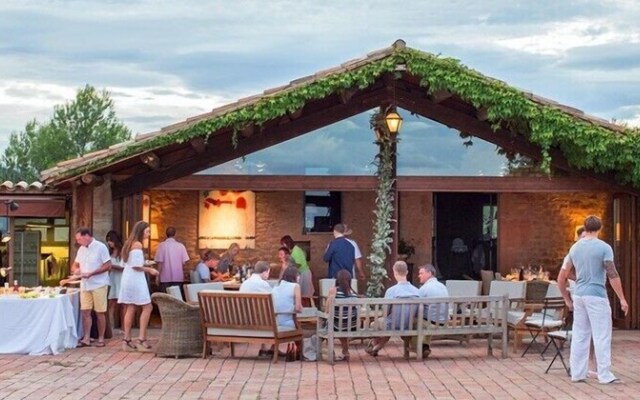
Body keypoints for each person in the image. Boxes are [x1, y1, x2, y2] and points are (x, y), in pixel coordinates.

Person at [558, 215, 629, 384]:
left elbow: (565, 273)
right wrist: (622, 298)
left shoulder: (574, 248)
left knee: (580, 335)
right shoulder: (604, 247)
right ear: (600, 228)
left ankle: (577, 373)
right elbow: (612, 274)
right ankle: (604, 375)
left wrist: (579, 281)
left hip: (579, 295)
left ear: (585, 227)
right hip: (596, 294)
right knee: (602, 334)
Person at [119, 221, 159, 352]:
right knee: (148, 306)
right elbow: (136, 266)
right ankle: (141, 339)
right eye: (147, 231)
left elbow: (127, 263)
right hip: (136, 279)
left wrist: (145, 262)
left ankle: (126, 339)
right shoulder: (137, 244)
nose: (148, 234)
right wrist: (150, 270)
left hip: (127, 278)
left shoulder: (128, 243)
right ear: (141, 231)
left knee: (130, 307)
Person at [366, 261, 420, 357]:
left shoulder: (391, 291)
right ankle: (377, 347)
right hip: (409, 324)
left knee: (375, 324)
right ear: (407, 272)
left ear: (394, 272)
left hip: (392, 324)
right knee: (387, 324)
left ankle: (375, 346)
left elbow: (385, 312)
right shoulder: (417, 291)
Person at [71, 227, 112, 348]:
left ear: (86, 236)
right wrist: (76, 271)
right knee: (85, 311)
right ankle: (87, 338)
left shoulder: (100, 247)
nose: (78, 242)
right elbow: (75, 265)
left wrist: (92, 273)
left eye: (79, 239)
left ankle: (100, 338)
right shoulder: (81, 249)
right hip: (85, 284)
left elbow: (108, 265)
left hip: (99, 283)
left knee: (100, 312)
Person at [239, 260, 273, 357]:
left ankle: (265, 347)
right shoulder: (263, 284)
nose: (268, 275)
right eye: (268, 272)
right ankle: (273, 348)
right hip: (259, 321)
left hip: (244, 319)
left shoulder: (245, 283)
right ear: (265, 272)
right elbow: (273, 300)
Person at [416, 264, 449, 358]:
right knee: (425, 320)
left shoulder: (424, 288)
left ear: (429, 273)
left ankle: (420, 347)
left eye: (421, 273)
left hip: (432, 323)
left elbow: (415, 306)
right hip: (443, 322)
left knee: (410, 324)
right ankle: (424, 346)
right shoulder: (443, 286)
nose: (419, 276)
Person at [326, 269, 358, 361]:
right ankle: (345, 352)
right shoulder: (353, 294)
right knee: (343, 322)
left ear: (337, 279)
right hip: (352, 325)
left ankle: (331, 351)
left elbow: (328, 309)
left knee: (330, 323)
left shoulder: (334, 290)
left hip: (337, 325)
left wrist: (325, 314)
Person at [154, 226, 189, 293]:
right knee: (177, 299)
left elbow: (160, 263)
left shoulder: (162, 246)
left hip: (165, 278)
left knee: (165, 299)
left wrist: (157, 276)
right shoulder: (181, 246)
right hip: (178, 277)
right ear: (175, 234)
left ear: (166, 234)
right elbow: (184, 263)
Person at [280, 235, 314, 303]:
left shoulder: (296, 250)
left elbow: (298, 264)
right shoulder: (293, 250)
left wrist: (289, 268)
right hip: (301, 273)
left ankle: (308, 309)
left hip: (304, 273)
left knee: (306, 294)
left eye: (283, 244)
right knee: (301, 293)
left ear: (287, 243)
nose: (283, 246)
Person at [106, 230, 124, 332]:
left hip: (121, 279)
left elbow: (124, 267)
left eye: (111, 240)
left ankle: (124, 328)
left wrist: (111, 266)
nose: (109, 243)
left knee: (123, 304)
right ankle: (110, 327)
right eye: (108, 241)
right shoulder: (109, 252)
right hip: (112, 279)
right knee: (111, 303)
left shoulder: (123, 252)